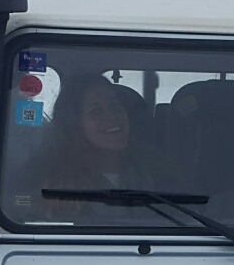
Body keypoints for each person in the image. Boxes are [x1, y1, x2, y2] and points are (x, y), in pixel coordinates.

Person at [19, 74, 178, 217]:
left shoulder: (158, 170)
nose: (111, 116)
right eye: (96, 111)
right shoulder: (52, 180)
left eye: (114, 106)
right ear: (75, 125)